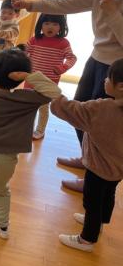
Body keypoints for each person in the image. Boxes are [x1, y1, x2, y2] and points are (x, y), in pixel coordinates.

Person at [13, 0, 123, 192]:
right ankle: (87, 158)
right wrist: (30, 4)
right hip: (96, 59)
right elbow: (65, 3)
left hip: (118, 68)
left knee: (104, 121)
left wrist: (113, 14)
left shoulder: (112, 0)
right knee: (80, 110)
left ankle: (97, 175)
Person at [0, 48, 62, 264]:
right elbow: (55, 92)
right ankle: (2, 224)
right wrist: (29, 77)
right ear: (19, 77)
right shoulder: (30, 99)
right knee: (1, 188)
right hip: (8, 156)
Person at [51, 58, 123, 252]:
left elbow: (73, 110)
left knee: (92, 201)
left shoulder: (103, 109)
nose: (104, 80)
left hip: (98, 167)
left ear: (121, 86)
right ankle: (99, 223)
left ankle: (86, 239)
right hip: (118, 169)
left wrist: (55, 97)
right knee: (108, 195)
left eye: (108, 78)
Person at [25, 14, 77, 140]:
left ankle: (40, 131)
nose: (50, 27)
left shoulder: (63, 43)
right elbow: (23, 53)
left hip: (49, 82)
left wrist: (62, 68)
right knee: (28, 106)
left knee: (43, 107)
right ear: (40, 25)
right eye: (46, 23)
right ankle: (26, 129)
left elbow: (71, 58)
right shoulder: (34, 40)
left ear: (61, 27)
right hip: (32, 79)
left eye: (55, 24)